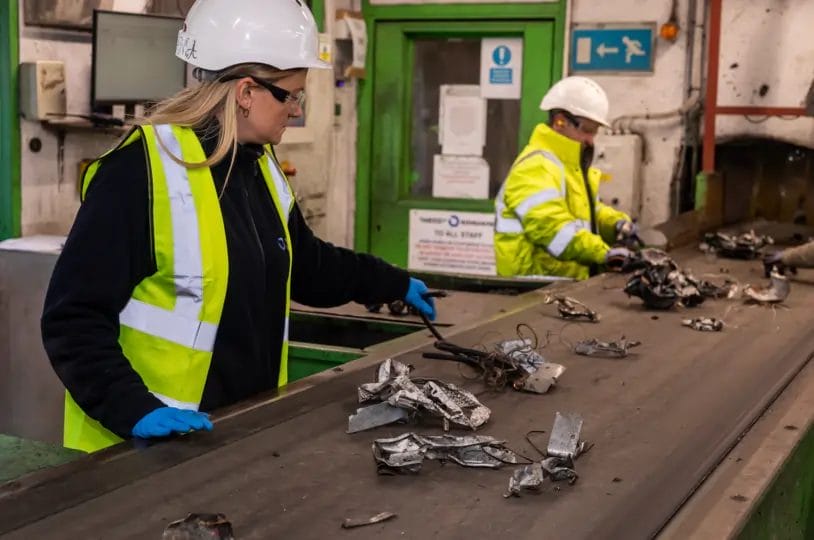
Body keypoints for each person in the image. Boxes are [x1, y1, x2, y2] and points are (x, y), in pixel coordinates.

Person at [41, 0, 435, 453]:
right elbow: (72, 318)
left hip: (234, 434)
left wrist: (389, 281)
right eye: (291, 95)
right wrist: (133, 408)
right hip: (140, 447)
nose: (297, 110)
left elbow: (305, 264)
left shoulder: (257, 166)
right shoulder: (141, 172)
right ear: (247, 91)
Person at [494, 76, 636, 279]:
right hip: (530, 290)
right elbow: (553, 229)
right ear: (560, 121)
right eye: (587, 130)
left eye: (594, 132)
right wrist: (604, 253)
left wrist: (615, 224)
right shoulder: (535, 167)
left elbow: (587, 213)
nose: (590, 140)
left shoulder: (569, 167)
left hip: (562, 286)